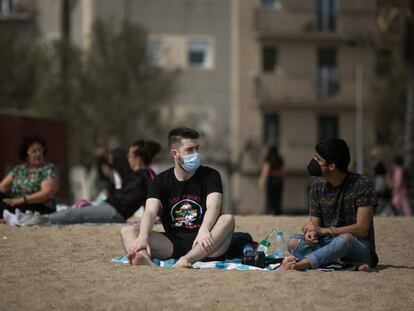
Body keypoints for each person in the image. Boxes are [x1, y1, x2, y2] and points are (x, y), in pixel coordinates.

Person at [120, 127, 237, 268]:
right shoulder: (160, 180)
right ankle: (144, 260)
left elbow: (214, 206)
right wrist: (143, 236)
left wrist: (204, 230)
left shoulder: (211, 175)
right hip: (172, 243)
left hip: (207, 243)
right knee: (127, 231)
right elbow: (150, 212)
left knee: (227, 219)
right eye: (189, 150)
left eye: (197, 148)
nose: (195, 154)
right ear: (175, 154)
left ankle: (187, 260)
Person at [286, 138, 379, 271]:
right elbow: (314, 224)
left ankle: (304, 264)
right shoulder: (317, 186)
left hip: (357, 245)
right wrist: (311, 233)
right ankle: (344, 264)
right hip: (327, 243)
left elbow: (362, 229)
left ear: (331, 166)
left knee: (344, 240)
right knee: (292, 241)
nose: (314, 161)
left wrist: (326, 231)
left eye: (318, 159)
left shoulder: (362, 185)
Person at [20, 140, 160, 225]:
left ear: (138, 158)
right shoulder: (133, 175)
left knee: (75, 214)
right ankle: (41, 218)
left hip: (115, 212)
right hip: (109, 207)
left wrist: (157, 217)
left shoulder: (148, 175)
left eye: (130, 156)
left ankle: (42, 219)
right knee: (76, 211)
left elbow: (154, 198)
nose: (128, 159)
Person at [0, 136, 59, 219]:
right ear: (26, 155)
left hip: (39, 206)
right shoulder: (19, 169)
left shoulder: (48, 169)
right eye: (34, 151)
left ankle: (10, 218)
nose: (38, 153)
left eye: (40, 150)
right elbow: (2, 187)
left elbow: (46, 194)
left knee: (23, 209)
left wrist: (21, 200)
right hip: (17, 203)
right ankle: (9, 217)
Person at [258, 145, 284, 215]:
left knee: (270, 196)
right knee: (278, 197)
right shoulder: (279, 159)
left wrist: (261, 181)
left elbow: (265, 171)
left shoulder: (268, 159)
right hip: (279, 180)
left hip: (271, 180)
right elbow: (282, 171)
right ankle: (278, 211)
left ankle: (271, 210)